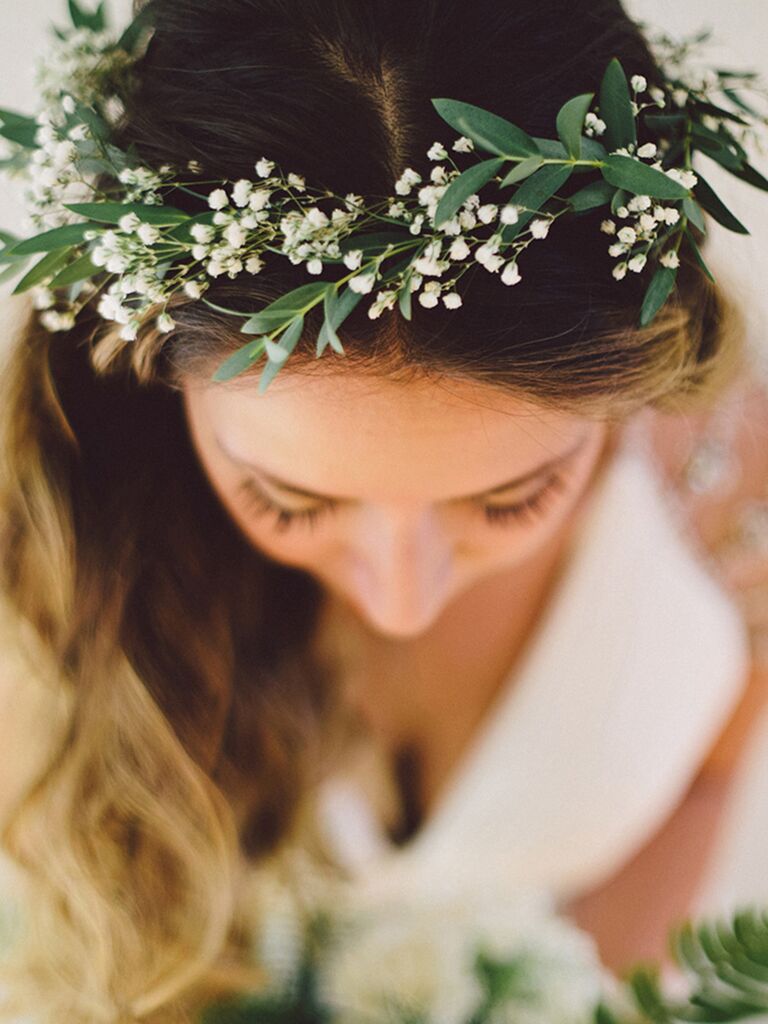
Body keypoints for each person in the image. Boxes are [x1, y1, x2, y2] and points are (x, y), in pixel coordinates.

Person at [0, 0, 767, 1020]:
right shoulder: (44, 571)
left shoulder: (733, 481)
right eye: (288, 498)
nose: (402, 600)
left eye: (514, 496)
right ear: (149, 371)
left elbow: (708, 778)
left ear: (630, 400)